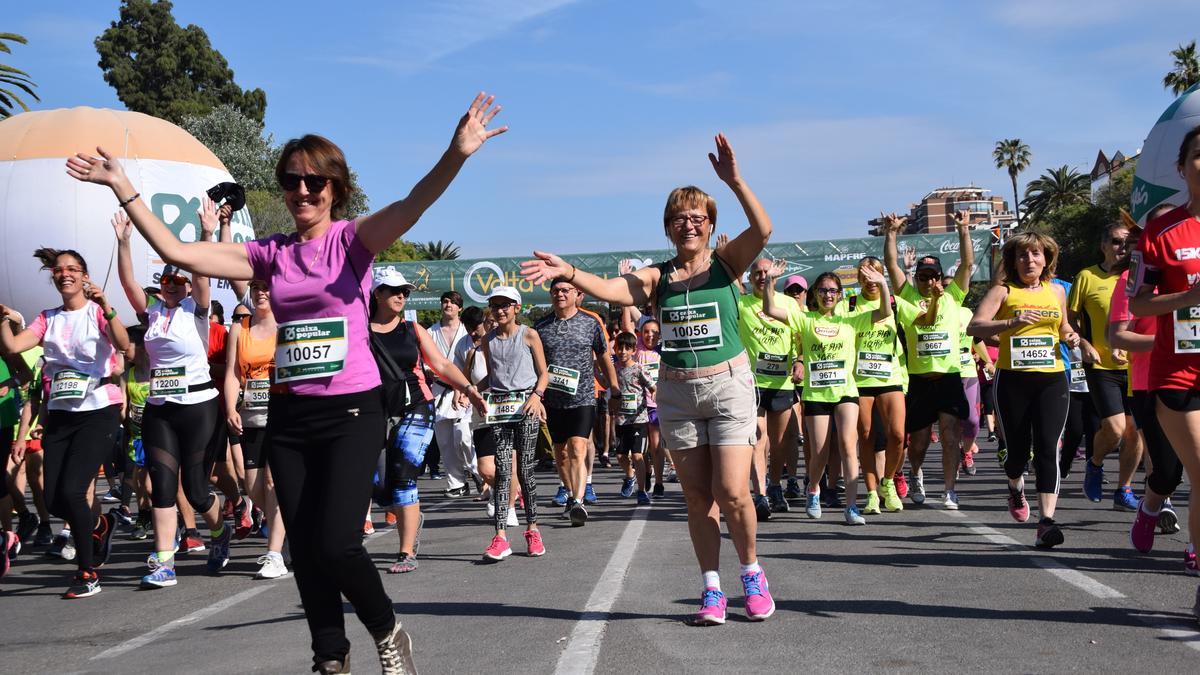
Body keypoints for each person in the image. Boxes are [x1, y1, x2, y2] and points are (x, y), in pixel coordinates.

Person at [68, 91, 507, 674]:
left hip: (353, 412)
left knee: (339, 543)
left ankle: (387, 629)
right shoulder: (268, 254)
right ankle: (330, 656)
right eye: (291, 181)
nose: (302, 191)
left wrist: (457, 154)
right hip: (291, 416)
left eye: (315, 183)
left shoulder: (352, 241)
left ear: (335, 191)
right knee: (303, 546)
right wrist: (123, 186)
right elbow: (177, 249)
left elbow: (412, 205)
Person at [522, 133, 776, 626]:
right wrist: (570, 270)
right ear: (667, 227)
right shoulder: (656, 278)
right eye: (680, 218)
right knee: (698, 498)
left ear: (710, 226)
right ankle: (712, 589)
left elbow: (762, 230)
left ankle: (751, 573)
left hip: (728, 386)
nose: (689, 224)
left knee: (732, 490)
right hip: (678, 391)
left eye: (698, 217)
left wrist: (735, 181)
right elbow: (611, 290)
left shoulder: (727, 265)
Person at [111, 206, 231, 587]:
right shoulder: (153, 314)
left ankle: (219, 531)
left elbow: (202, 272)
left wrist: (206, 233)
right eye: (168, 281)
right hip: (160, 408)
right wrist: (124, 242)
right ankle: (164, 563)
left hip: (198, 408)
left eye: (180, 281)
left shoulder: (197, 312)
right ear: (161, 285)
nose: (174, 286)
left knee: (196, 490)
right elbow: (129, 285)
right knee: (162, 485)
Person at [1, 247, 130, 598]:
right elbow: (13, 346)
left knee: (74, 490)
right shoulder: (48, 318)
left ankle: (88, 572)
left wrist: (107, 305)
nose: (65, 274)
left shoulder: (97, 313)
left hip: (98, 409)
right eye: (59, 270)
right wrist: (1, 318)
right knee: (56, 500)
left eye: (72, 269)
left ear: (84, 275)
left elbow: (124, 345)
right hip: (60, 414)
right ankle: (100, 524)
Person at [1128, 127, 1200, 618]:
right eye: (1199, 155)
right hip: (1179, 372)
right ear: (1182, 167)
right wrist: (1190, 299)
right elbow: (1138, 300)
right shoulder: (1161, 230)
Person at [761, 263, 895, 526]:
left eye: (833, 291)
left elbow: (884, 311)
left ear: (840, 295)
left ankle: (852, 507)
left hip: (846, 392)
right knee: (820, 451)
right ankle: (813, 488)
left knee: (848, 446)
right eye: (823, 290)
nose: (828, 295)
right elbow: (769, 309)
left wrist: (881, 282)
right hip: (817, 395)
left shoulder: (850, 320)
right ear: (815, 294)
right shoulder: (805, 318)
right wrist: (769, 283)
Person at [969, 232, 1079, 548]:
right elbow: (974, 327)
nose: (1029, 260)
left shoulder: (1057, 292)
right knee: (1018, 452)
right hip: (1013, 381)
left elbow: (1063, 327)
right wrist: (1010, 323)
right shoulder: (1002, 291)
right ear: (1012, 261)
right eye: (1022, 255)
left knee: (1048, 448)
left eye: (1035, 254)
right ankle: (1015, 486)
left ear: (1046, 258)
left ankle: (1046, 523)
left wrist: (1071, 338)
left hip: (1052, 378)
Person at [370, 270, 484, 573]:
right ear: (377, 293)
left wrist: (469, 390)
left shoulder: (412, 329)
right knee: (379, 486)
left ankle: (405, 552)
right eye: (394, 291)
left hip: (416, 407)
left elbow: (443, 364)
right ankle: (408, 512)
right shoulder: (359, 331)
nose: (400, 297)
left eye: (404, 292)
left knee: (404, 474)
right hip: (374, 412)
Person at [881, 211, 975, 508]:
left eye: (934, 276)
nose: (929, 281)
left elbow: (969, 265)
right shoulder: (907, 295)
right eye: (923, 276)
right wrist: (892, 233)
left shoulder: (952, 297)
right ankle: (916, 472)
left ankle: (949, 489)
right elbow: (892, 265)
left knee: (950, 436)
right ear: (917, 277)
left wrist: (963, 230)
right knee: (919, 442)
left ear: (940, 278)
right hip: (918, 381)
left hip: (947, 378)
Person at [1109, 204, 1183, 554]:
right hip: (1152, 381)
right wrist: (1164, 342)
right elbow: (1118, 336)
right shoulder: (1131, 279)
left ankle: (1194, 549)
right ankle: (1151, 506)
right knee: (1167, 472)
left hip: (1193, 376)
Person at [534, 277, 617, 526]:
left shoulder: (590, 323)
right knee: (561, 454)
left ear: (576, 293)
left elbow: (603, 356)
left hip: (583, 397)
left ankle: (579, 501)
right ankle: (570, 494)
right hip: (553, 400)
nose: (560, 294)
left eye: (565, 290)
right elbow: (535, 363)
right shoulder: (541, 326)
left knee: (579, 448)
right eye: (555, 290)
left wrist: (614, 387)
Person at [1071, 220, 1141, 510]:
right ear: (1103, 245)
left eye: (1126, 242)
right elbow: (1071, 321)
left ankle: (1124, 489)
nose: (1121, 247)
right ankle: (1095, 463)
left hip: (1138, 365)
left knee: (1135, 431)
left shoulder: (1141, 276)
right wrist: (1083, 344)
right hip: (1102, 366)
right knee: (1114, 429)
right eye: (1114, 241)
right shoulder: (1087, 277)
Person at [223, 280, 289, 579]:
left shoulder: (287, 324)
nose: (261, 292)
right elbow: (233, 373)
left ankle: (274, 554)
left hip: (283, 412)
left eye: (267, 287)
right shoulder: (240, 328)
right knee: (253, 487)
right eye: (256, 287)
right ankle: (292, 529)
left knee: (275, 484)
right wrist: (229, 408)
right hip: (250, 417)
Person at [478, 286, 548, 561]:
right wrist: (470, 390)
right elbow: (492, 376)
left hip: (526, 408)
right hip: (500, 410)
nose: (500, 310)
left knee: (527, 470)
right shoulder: (488, 341)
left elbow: (544, 374)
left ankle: (533, 530)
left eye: (506, 304)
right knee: (503, 471)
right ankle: (500, 536)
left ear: (517, 307)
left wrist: (537, 397)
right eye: (495, 305)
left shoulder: (529, 335)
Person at [737, 258, 804, 517]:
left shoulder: (788, 303)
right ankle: (761, 494)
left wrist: (799, 361)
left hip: (783, 382)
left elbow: (801, 336)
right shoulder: (741, 304)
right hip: (752, 383)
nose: (762, 276)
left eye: (767, 272)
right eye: (757, 272)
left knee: (779, 442)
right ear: (750, 277)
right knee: (757, 437)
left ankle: (775, 485)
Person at [850, 257, 908, 514]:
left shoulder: (893, 303)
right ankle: (872, 493)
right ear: (858, 277)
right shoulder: (849, 304)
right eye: (865, 273)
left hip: (891, 377)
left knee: (897, 435)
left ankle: (888, 482)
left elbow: (924, 319)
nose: (870, 279)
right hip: (860, 380)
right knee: (866, 437)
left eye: (875, 273)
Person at [429, 291, 480, 498]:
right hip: (440, 389)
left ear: (460, 307)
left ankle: (480, 473)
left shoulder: (467, 333)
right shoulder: (430, 332)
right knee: (445, 441)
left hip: (465, 391)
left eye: (453, 302)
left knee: (464, 436)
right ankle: (456, 482)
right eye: (445, 301)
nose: (448, 305)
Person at [611, 331, 656, 504]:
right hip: (621, 419)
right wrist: (594, 369)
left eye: (626, 348)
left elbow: (652, 386)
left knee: (638, 455)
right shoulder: (614, 369)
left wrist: (655, 394)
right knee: (621, 456)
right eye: (619, 348)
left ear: (633, 350)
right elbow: (605, 382)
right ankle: (630, 476)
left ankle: (642, 491)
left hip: (639, 419)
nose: (622, 351)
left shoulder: (639, 369)